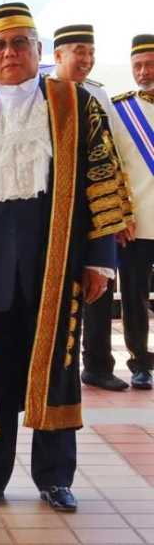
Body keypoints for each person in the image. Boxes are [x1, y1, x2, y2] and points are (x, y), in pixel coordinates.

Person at [0, 3, 127, 513]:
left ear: (40, 51)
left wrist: (99, 259)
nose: (10, 53)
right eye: (0, 45)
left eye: (21, 43)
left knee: (57, 369)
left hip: (56, 260)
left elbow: (102, 176)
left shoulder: (75, 103)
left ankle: (54, 477)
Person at [52, 25, 133, 392]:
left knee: (99, 285)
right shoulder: (43, 95)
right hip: (56, 209)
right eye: (77, 51)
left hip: (95, 207)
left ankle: (97, 364)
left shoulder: (99, 94)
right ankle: (54, 363)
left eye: (89, 52)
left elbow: (113, 156)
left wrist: (120, 213)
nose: (85, 59)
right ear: (58, 56)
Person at [108, 34, 154, 391]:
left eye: (150, 63)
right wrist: (119, 217)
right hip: (137, 223)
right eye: (137, 65)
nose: (143, 71)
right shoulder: (120, 110)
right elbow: (111, 166)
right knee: (135, 298)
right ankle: (140, 362)